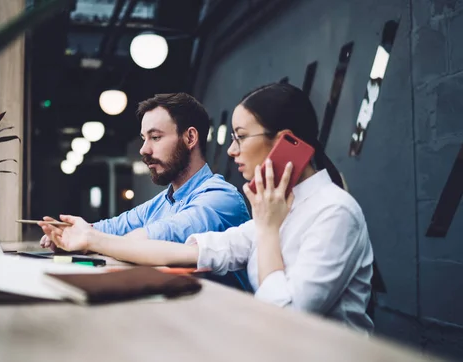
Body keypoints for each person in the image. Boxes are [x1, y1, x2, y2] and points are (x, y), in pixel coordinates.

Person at [40, 83, 375, 331]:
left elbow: (284, 314)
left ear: (283, 142)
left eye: (241, 137)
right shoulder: (278, 207)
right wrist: (85, 238)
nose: (231, 150)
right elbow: (183, 252)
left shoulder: (334, 212)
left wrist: (269, 229)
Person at [41, 92, 252, 290]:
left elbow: (153, 240)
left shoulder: (221, 198)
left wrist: (87, 239)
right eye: (144, 138)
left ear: (190, 138)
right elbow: (117, 227)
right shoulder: (164, 200)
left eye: (156, 137)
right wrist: (71, 233)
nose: (144, 149)